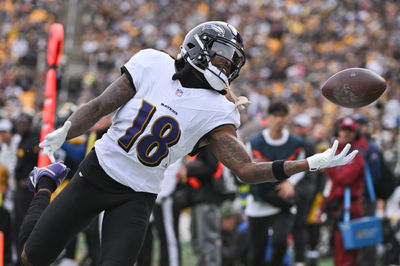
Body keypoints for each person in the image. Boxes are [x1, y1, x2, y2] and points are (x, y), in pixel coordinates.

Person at [19, 21, 357, 266]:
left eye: (231, 62)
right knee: (31, 257)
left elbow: (246, 170)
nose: (226, 65)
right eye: (222, 56)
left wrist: (309, 163)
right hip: (97, 173)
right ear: (199, 45)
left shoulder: (219, 111)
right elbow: (99, 107)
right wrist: (67, 130)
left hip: (136, 195)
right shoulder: (152, 64)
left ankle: (48, 182)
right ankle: (46, 183)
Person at [245, 101, 306, 266]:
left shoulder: (296, 143)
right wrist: (254, 170)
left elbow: (302, 166)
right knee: (257, 251)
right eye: (275, 115)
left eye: (282, 115)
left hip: (283, 202)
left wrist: (291, 183)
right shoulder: (255, 143)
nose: (278, 119)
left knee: (280, 243)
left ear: (287, 118)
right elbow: (242, 171)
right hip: (259, 201)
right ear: (269, 117)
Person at [324, 117, 367, 266]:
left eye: (350, 130)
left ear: (356, 133)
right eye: (344, 129)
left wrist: (327, 166)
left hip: (349, 209)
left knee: (346, 253)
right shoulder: (338, 151)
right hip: (338, 208)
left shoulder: (356, 154)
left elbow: (345, 178)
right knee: (339, 251)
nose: (346, 133)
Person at [176, 145, 227, 266]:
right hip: (195, 200)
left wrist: (188, 172)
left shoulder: (208, 145)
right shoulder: (192, 147)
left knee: (208, 240)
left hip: (207, 199)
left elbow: (212, 168)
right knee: (196, 240)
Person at [291, 114, 318, 266]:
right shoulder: (307, 142)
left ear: (307, 128)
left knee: (299, 226)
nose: (297, 128)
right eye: (296, 125)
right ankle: (300, 258)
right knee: (299, 225)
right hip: (305, 188)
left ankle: (300, 259)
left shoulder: (305, 142)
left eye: (300, 126)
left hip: (302, 189)